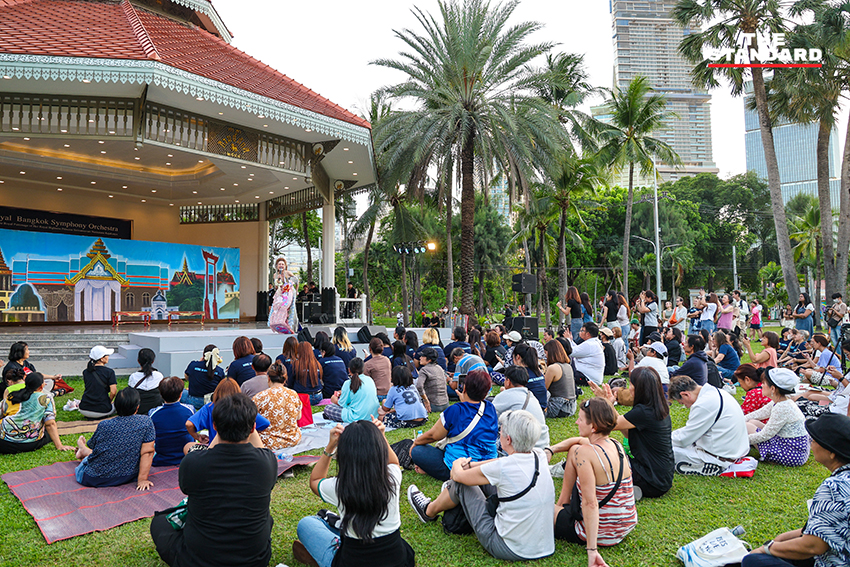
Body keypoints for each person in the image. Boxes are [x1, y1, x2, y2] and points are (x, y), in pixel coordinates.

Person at [407, 409, 555, 562]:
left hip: (508, 548)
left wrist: (458, 463)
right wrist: (472, 465)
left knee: (460, 484)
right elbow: (500, 462)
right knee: (479, 479)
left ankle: (428, 511)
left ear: (508, 439)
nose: (499, 433)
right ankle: (447, 495)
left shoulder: (504, 468)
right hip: (545, 546)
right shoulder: (539, 455)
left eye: (501, 431)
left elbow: (457, 476)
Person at [151, 393, 277, 567]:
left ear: (215, 426)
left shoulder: (193, 462)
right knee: (266, 518)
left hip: (197, 561)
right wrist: (246, 425)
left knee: (159, 522)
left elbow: (187, 488)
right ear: (253, 428)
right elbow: (262, 451)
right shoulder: (267, 462)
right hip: (256, 560)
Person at [294, 418, 415, 567]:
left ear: (344, 455)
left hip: (351, 560)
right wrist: (381, 436)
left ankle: (335, 536)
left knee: (307, 524)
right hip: (398, 560)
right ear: (379, 449)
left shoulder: (338, 486)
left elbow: (315, 480)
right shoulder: (392, 478)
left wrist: (330, 447)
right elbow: (393, 463)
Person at [741, 413, 850, 567]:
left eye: (815, 440)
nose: (811, 443)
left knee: (753, 561)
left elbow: (813, 546)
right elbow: (826, 527)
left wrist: (766, 549)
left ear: (832, 453)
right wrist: (780, 540)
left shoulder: (834, 488)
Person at [546, 398, 637, 562]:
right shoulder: (615, 444)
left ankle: (559, 513)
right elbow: (576, 442)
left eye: (580, 420)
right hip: (625, 525)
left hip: (601, 532)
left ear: (593, 427)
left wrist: (592, 550)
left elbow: (590, 503)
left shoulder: (585, 453)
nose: (576, 422)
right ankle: (562, 505)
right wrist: (551, 450)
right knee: (574, 449)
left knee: (537, 509)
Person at [590, 367, 674, 499]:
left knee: (602, 458)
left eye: (631, 384)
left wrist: (605, 403)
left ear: (639, 389)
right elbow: (626, 431)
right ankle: (629, 487)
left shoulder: (643, 412)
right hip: (661, 478)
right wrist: (608, 403)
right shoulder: (658, 408)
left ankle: (627, 489)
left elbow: (608, 425)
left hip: (650, 479)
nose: (628, 389)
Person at [409, 370, 498, 481]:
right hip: (486, 465)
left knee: (418, 451)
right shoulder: (490, 408)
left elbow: (433, 436)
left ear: (464, 388)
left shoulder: (455, 410)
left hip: (459, 467)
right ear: (486, 392)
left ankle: (432, 469)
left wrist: (416, 442)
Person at [74, 387, 155, 489]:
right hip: (129, 476)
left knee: (92, 457)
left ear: (115, 407)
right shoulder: (146, 422)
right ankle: (83, 450)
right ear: (137, 407)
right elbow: (148, 452)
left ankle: (83, 449)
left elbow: (94, 446)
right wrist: (142, 479)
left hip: (95, 478)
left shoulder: (105, 425)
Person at [668, 375, 749, 476]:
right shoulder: (717, 393)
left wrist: (661, 440)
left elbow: (683, 439)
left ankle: (708, 465)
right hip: (734, 452)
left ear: (685, 394)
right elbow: (690, 431)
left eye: (682, 403)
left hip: (719, 457)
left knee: (662, 450)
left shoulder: (703, 404)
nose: (686, 406)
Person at [744, 368, 809, 467]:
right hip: (794, 448)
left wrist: (741, 440)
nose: (761, 385)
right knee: (752, 421)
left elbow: (765, 435)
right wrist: (740, 420)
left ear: (773, 389)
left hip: (792, 452)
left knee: (748, 426)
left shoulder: (782, 407)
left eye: (764, 383)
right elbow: (761, 413)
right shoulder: (782, 400)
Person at [0, 371, 75, 453]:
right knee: (47, 434)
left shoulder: (12, 396)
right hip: (31, 443)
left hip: (4, 443)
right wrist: (59, 446)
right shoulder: (45, 398)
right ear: (41, 386)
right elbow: (50, 424)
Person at [186, 379, 270, 446]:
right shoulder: (244, 408)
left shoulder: (210, 407)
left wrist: (198, 436)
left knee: (189, 446)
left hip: (216, 450)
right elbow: (265, 423)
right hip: (241, 449)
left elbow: (189, 424)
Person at [493, 366, 550, 448]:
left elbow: (489, 417)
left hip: (524, 447)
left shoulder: (505, 395)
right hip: (542, 444)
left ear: (508, 381)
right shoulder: (530, 395)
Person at [252, 361, 302, 450]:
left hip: (267, 442)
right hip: (292, 439)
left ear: (268, 378)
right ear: (285, 378)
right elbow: (298, 417)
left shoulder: (259, 397)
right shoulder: (293, 394)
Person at [148, 377, 195, 466]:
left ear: (161, 395)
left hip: (162, 458)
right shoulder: (190, 410)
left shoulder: (153, 413)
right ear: (181, 394)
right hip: (186, 456)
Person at [323, 358, 380, 423]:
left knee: (328, 408)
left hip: (355, 417)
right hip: (372, 415)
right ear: (363, 369)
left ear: (349, 370)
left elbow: (342, 404)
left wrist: (335, 400)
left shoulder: (348, 383)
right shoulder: (370, 379)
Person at [79, 345, 117, 419]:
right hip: (102, 410)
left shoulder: (86, 372)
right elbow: (113, 392)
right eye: (107, 355)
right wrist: (109, 401)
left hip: (84, 409)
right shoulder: (109, 372)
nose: (108, 357)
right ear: (102, 358)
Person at [182, 345, 225, 410]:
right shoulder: (220, 371)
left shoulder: (193, 365)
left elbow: (186, 377)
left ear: (203, 355)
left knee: (181, 392)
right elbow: (221, 387)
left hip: (193, 400)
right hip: (211, 402)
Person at [543, 340, 576, 419]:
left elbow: (543, 388)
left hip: (559, 407)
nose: (545, 356)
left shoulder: (553, 368)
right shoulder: (568, 366)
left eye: (546, 353)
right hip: (571, 406)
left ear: (550, 353)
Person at [508, 344, 547, 411]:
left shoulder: (519, 373)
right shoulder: (538, 372)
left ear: (518, 357)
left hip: (527, 410)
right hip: (541, 410)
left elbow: (513, 395)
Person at [126, 348, 164, 415]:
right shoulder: (159, 376)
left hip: (139, 410)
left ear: (138, 361)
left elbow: (130, 394)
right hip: (156, 411)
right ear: (153, 361)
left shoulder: (133, 377)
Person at [269, 256, 299, 334]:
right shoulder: (275, 275)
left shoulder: (287, 273)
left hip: (289, 293)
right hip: (281, 293)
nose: (281, 266)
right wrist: (278, 282)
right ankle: (280, 323)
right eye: (279, 264)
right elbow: (276, 287)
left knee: (290, 309)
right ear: (276, 266)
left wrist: (296, 291)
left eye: (282, 264)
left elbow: (296, 281)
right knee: (278, 307)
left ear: (285, 266)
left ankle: (292, 325)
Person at [288, 341, 324, 405]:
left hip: (302, 396)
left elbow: (289, 382)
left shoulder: (295, 365)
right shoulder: (317, 364)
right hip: (318, 395)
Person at [415, 348, 449, 413]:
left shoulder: (424, 370)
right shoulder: (439, 368)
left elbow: (419, 386)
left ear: (429, 360)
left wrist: (426, 400)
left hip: (432, 406)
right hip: (445, 404)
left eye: (422, 356)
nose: (420, 358)